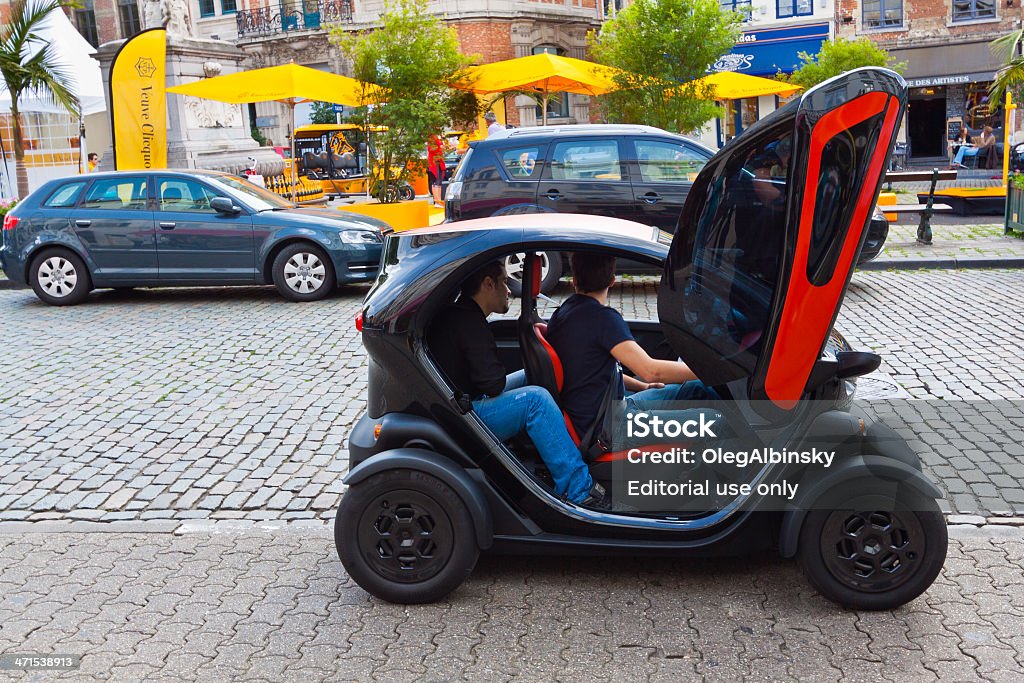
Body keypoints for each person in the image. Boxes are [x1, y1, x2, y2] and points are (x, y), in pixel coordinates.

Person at [426, 260, 610, 509]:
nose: (509, 290)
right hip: (464, 415)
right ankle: (579, 490)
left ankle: (557, 440)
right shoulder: (469, 322)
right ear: (488, 284)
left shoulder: (465, 314)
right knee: (535, 400)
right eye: (503, 282)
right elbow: (493, 384)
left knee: (529, 375)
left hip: (466, 398)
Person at [546, 252, 717, 442]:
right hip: (611, 428)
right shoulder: (603, 319)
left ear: (574, 280)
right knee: (715, 421)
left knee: (697, 389)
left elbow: (596, 372)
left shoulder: (563, 313)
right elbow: (652, 371)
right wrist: (711, 369)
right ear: (612, 280)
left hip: (613, 410)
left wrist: (642, 386)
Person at [426, 134, 447, 205]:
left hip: (439, 161)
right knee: (436, 180)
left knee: (439, 181)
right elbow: (430, 149)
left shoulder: (439, 136)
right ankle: (437, 201)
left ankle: (438, 200)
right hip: (434, 162)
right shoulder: (432, 137)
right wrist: (440, 147)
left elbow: (443, 148)